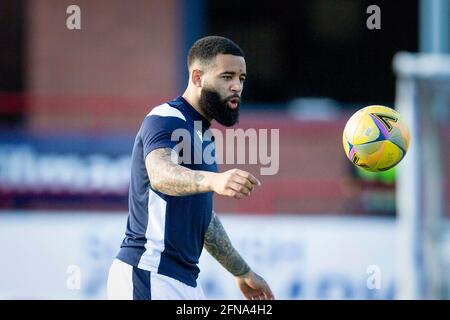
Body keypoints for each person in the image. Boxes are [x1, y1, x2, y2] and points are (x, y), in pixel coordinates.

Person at [107, 36, 274, 300]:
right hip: (148, 273)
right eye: (227, 76)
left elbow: (204, 219)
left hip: (183, 281)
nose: (236, 86)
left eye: (241, 79)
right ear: (197, 77)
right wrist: (214, 180)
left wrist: (242, 271)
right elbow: (159, 174)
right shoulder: (165, 117)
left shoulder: (203, 136)